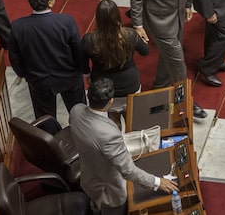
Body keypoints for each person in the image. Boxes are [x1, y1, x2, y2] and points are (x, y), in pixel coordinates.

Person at [69, 78, 178, 215]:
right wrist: (157, 182)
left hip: (88, 179)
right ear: (110, 101)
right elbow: (128, 171)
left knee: (95, 207)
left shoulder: (75, 110)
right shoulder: (109, 135)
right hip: (109, 194)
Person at [130, 0, 209, 119]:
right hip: (159, 21)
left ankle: (159, 88)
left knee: (169, 57)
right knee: (177, 59)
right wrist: (138, 24)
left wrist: (188, 3)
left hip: (179, 15)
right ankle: (186, 100)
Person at [9, 0, 86, 121]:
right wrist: (82, 70)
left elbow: (15, 57)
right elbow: (77, 50)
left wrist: (26, 75)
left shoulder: (18, 27)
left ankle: (51, 142)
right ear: (50, 2)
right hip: (69, 76)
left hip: (39, 80)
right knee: (80, 115)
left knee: (46, 121)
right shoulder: (66, 22)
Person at [81, 0, 149, 96]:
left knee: (108, 110)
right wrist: (142, 39)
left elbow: (83, 64)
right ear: (118, 17)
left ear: (98, 19)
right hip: (129, 86)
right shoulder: (130, 35)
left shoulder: (88, 40)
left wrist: (88, 75)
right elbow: (145, 51)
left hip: (103, 90)